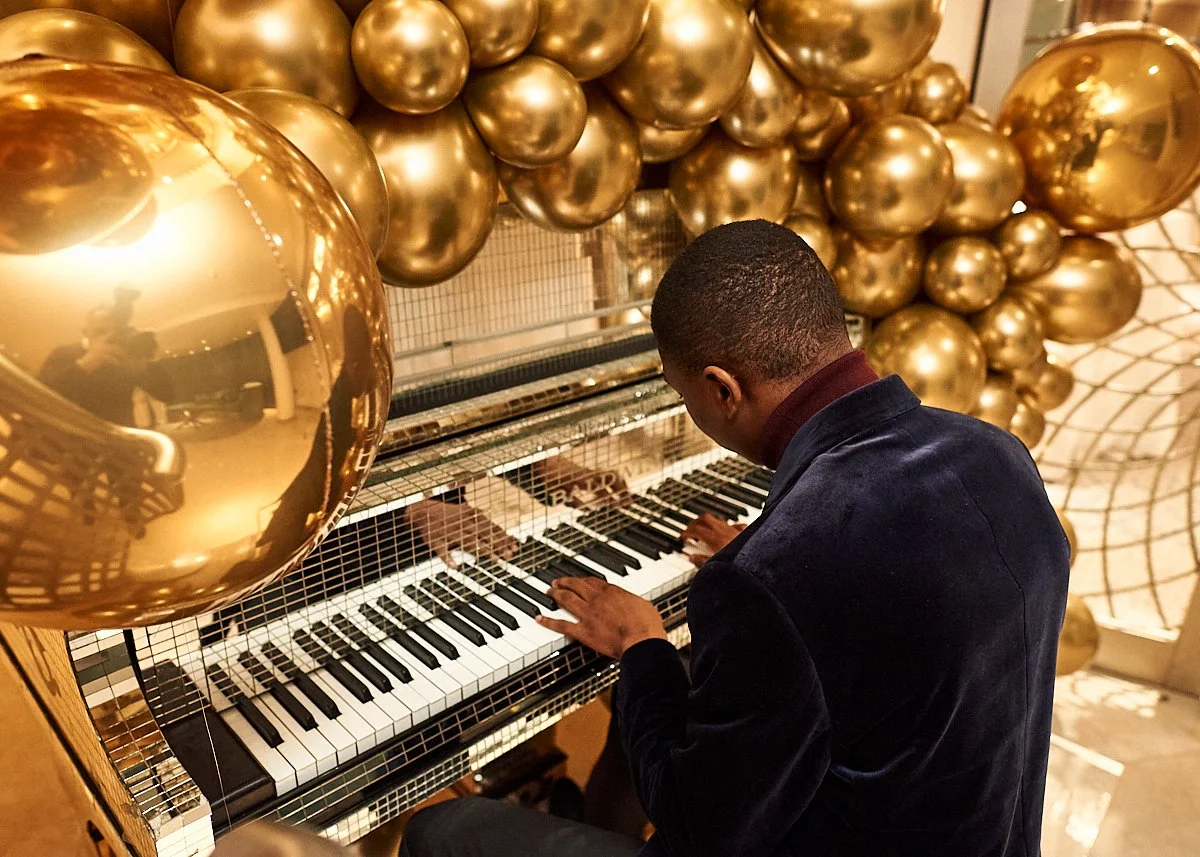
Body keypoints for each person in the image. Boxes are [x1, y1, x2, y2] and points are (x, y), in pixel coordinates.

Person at [400, 220, 1071, 857]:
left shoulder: (777, 574)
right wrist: (774, 579)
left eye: (683, 396)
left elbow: (701, 833)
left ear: (721, 388)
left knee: (446, 831)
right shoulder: (998, 454)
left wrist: (643, 646)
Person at [38, 297, 172, 427]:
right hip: (72, 440)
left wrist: (145, 367)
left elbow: (168, 394)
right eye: (100, 331)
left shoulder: (125, 357)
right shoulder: (65, 354)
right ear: (85, 333)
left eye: (116, 332)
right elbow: (39, 396)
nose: (109, 338)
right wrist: (84, 365)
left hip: (118, 441)